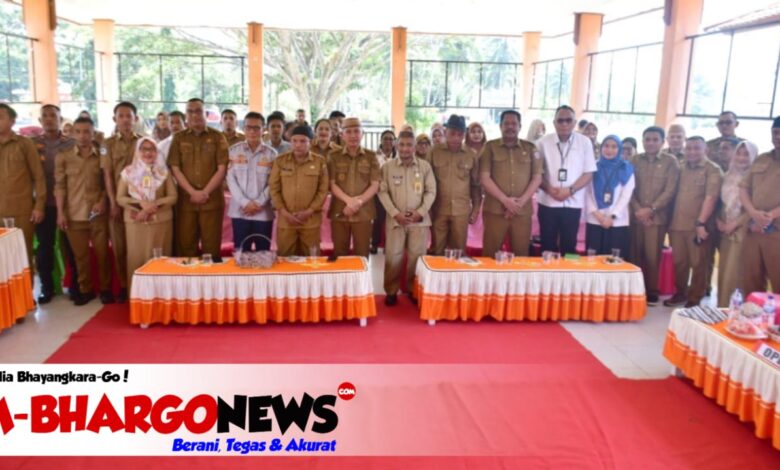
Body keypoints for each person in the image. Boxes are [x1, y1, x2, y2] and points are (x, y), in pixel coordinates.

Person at [54, 117, 111, 306]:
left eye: (86, 131)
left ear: (93, 133)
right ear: (72, 133)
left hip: (97, 214)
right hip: (74, 214)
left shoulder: (102, 154)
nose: (82, 136)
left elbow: (107, 182)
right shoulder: (63, 156)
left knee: (102, 254)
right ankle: (85, 290)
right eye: (78, 132)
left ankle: (105, 289)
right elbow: (59, 186)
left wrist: (102, 201)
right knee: (81, 257)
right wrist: (61, 213)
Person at [378, 131, 436, 306]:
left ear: (415, 147)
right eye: (402, 144)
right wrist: (395, 213)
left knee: (416, 257)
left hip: (419, 221)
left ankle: (413, 290)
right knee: (393, 256)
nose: (405, 148)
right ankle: (391, 291)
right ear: (396, 145)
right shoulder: (387, 167)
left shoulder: (425, 167)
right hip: (396, 220)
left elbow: (431, 191)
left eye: (409, 145)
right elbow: (382, 192)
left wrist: (420, 212)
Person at [664, 137, 722, 308]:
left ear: (706, 150)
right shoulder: (680, 167)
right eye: (688, 148)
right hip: (677, 224)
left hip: (699, 226)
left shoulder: (712, 169)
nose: (692, 152)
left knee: (698, 263)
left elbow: (711, 198)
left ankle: (695, 297)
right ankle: (680, 292)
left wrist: (700, 223)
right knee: (679, 262)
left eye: (696, 148)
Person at [167, 98, 228, 261]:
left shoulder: (218, 137)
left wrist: (205, 192)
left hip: (212, 201)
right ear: (186, 115)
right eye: (190, 111)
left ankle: (210, 278)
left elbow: (222, 168)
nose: (194, 115)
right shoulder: (178, 138)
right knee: (187, 248)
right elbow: (175, 168)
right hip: (186, 202)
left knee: (211, 249)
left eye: (198, 111)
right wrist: (192, 192)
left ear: (205, 113)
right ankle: (189, 279)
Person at [32, 104, 80, 304]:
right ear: (40, 120)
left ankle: (76, 286)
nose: (49, 119)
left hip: (69, 203)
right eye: (45, 116)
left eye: (53, 115)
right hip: (43, 204)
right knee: (45, 247)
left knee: (72, 247)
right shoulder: (32, 144)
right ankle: (47, 287)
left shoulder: (71, 143)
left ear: (60, 119)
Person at [480, 110, 543, 257]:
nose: (510, 127)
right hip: (495, 211)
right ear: (500, 126)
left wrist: (518, 204)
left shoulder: (531, 148)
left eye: (514, 123)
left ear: (520, 126)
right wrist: (506, 201)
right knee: (489, 255)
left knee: (521, 256)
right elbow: (484, 178)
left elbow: (537, 178)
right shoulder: (489, 147)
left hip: (522, 212)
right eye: (506, 123)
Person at [116, 137, 177, 287]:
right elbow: (120, 198)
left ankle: (161, 296)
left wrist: (152, 205)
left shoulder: (163, 172)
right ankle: (138, 297)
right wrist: (140, 204)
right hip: (136, 222)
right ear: (137, 151)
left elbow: (173, 196)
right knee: (136, 259)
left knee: (159, 260)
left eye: (152, 149)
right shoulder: (128, 172)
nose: (148, 153)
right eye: (144, 149)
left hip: (160, 222)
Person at [629, 126, 680, 305]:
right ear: (642, 141)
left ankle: (651, 290)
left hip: (656, 218)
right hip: (635, 216)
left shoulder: (670, 162)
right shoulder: (635, 160)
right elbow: (628, 187)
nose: (650, 143)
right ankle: (634, 288)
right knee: (634, 254)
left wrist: (650, 209)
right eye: (647, 139)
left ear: (662, 142)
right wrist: (638, 210)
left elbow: (670, 190)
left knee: (652, 256)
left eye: (655, 140)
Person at [536, 105, 596, 255]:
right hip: (548, 202)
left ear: (574, 123)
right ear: (554, 123)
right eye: (560, 120)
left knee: (569, 247)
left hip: (572, 203)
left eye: (568, 120)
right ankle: (547, 271)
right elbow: (536, 173)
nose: (564, 124)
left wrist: (570, 190)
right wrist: (549, 190)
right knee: (547, 246)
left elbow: (589, 172)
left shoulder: (585, 142)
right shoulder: (542, 143)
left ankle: (567, 271)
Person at [101, 101, 141, 303]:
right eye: (121, 116)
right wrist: (113, 202)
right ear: (114, 119)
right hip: (117, 202)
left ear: (136, 119)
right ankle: (125, 286)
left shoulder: (143, 142)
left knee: (137, 245)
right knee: (119, 246)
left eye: (129, 116)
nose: (125, 120)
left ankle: (139, 284)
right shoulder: (107, 144)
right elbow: (107, 174)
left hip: (138, 203)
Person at [0, 103, 46, 278]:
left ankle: (26, 292)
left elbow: (38, 176)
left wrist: (39, 206)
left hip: (21, 211)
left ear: (12, 121)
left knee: (22, 256)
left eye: (1, 117)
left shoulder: (24, 144)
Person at [269, 125, 329, 256]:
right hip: (286, 220)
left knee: (311, 259)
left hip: (310, 220)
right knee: (285, 258)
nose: (298, 145)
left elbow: (323, 190)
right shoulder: (280, 161)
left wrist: (309, 211)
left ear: (311, 142)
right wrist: (284, 212)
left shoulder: (319, 162)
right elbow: (274, 188)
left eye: (303, 141)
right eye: (294, 141)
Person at [327, 117, 380, 258]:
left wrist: (358, 202)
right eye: (348, 132)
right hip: (340, 211)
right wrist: (349, 201)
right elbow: (332, 183)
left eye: (356, 131)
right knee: (340, 254)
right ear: (342, 135)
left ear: (362, 134)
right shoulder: (333, 156)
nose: (353, 135)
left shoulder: (371, 156)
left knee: (362, 254)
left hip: (364, 213)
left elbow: (375, 184)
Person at [428, 114, 481, 255]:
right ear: (446, 132)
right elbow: (426, 182)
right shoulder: (433, 152)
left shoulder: (471, 155)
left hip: (461, 211)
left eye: (460, 134)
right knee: (437, 250)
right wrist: (427, 209)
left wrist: (476, 209)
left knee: (458, 251)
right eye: (452, 133)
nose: (456, 138)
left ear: (464, 135)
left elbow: (475, 185)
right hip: (438, 209)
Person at [739, 117, 780, 295]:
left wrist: (770, 216)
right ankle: (752, 312)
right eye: (775, 132)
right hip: (753, 229)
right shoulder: (762, 158)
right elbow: (743, 187)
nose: (778, 137)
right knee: (750, 279)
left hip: (776, 232)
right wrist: (753, 212)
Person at [226, 112, 277, 252]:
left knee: (263, 255)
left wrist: (258, 203)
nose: (252, 131)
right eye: (249, 127)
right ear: (243, 129)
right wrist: (245, 203)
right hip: (240, 211)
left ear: (264, 129)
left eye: (256, 128)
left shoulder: (272, 154)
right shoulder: (233, 151)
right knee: (241, 254)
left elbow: (273, 182)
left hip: (263, 212)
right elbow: (230, 179)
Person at [716, 140, 757, 307]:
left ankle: (736, 311)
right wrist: (719, 221)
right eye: (739, 153)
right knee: (724, 271)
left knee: (737, 273)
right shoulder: (728, 175)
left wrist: (734, 224)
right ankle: (722, 308)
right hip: (725, 230)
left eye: (746, 154)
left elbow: (755, 207)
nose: (741, 158)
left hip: (745, 231)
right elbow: (720, 202)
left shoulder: (755, 178)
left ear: (753, 156)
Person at [585, 136, 635, 256]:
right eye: (606, 146)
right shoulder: (592, 166)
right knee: (593, 258)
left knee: (614, 259)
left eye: (614, 147)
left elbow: (626, 196)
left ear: (620, 149)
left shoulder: (626, 168)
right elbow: (586, 192)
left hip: (617, 222)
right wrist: (597, 215)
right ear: (601, 147)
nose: (609, 150)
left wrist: (612, 217)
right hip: (595, 219)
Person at [372, 130, 397, 253]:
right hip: (378, 193)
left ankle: (389, 245)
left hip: (395, 194)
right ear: (381, 141)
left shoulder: (398, 157)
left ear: (394, 142)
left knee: (392, 220)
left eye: (391, 139)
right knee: (378, 220)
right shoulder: (374, 156)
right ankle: (374, 244)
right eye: (385, 138)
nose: (388, 141)